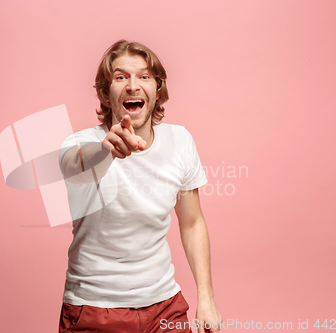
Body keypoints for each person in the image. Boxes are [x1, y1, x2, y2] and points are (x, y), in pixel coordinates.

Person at [58, 40, 221, 333]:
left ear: (158, 91)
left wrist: (206, 298)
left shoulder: (180, 141)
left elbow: (192, 222)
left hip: (165, 307)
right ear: (106, 95)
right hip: (95, 309)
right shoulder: (81, 144)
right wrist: (105, 150)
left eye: (144, 76)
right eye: (120, 77)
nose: (133, 86)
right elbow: (72, 164)